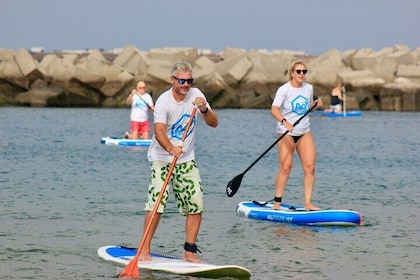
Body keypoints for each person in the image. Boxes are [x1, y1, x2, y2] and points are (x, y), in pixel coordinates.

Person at [139, 62, 218, 263]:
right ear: (172, 80)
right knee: (157, 203)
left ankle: (189, 252)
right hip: (161, 157)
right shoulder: (164, 102)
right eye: (182, 81)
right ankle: (144, 250)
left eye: (189, 81)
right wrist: (171, 149)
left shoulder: (196, 94)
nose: (186, 85)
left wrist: (204, 109)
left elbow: (213, 123)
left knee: (196, 203)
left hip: (186, 159)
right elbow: (158, 132)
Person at [271, 60, 323, 211]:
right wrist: (284, 121)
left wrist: (315, 106)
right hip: (286, 132)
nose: (302, 74)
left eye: (304, 72)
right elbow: (274, 109)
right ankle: (277, 202)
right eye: (299, 71)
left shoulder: (308, 88)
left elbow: (306, 109)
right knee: (286, 167)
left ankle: (308, 203)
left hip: (304, 131)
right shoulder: (284, 90)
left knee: (310, 167)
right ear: (292, 73)